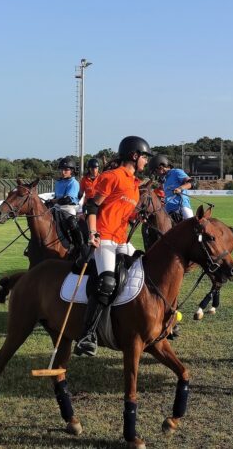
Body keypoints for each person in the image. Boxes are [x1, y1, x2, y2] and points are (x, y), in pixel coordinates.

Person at [75, 136, 151, 357]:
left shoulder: (135, 185)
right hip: (105, 236)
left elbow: (124, 212)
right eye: (144, 157)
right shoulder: (112, 176)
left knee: (143, 267)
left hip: (122, 239)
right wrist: (92, 233)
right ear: (134, 156)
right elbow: (92, 206)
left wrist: (138, 216)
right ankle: (87, 335)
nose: (146, 161)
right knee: (107, 282)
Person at [153, 156, 194, 221]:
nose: (156, 174)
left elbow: (191, 182)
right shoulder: (163, 180)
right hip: (168, 211)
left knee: (192, 226)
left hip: (181, 208)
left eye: (155, 171)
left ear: (161, 167)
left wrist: (180, 188)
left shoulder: (176, 172)